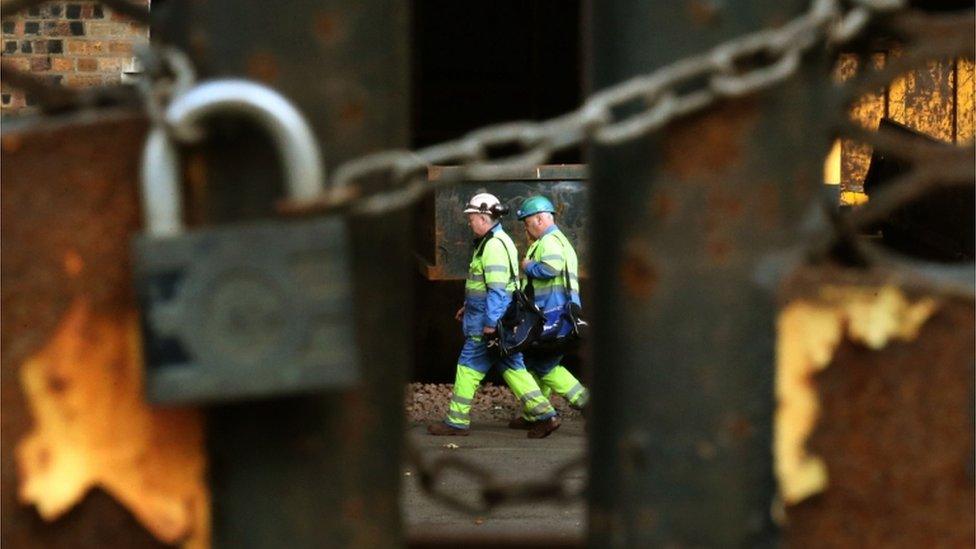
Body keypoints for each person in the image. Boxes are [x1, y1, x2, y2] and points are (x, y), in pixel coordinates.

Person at [427, 192, 562, 439]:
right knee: (514, 368)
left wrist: (490, 324)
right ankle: (546, 415)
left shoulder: (493, 246)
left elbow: (498, 290)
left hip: (488, 323)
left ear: (483, 217)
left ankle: (456, 422)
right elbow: (490, 286)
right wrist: (468, 305)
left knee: (467, 367)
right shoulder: (495, 242)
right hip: (491, 318)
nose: (469, 223)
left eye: (471, 218)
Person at [509, 195, 590, 429]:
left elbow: (551, 268)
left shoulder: (550, 241)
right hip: (558, 311)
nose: (526, 227)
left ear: (540, 219)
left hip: (554, 313)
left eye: (527, 222)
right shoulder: (557, 240)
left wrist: (528, 266)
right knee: (538, 360)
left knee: (544, 365)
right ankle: (533, 414)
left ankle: (586, 403)